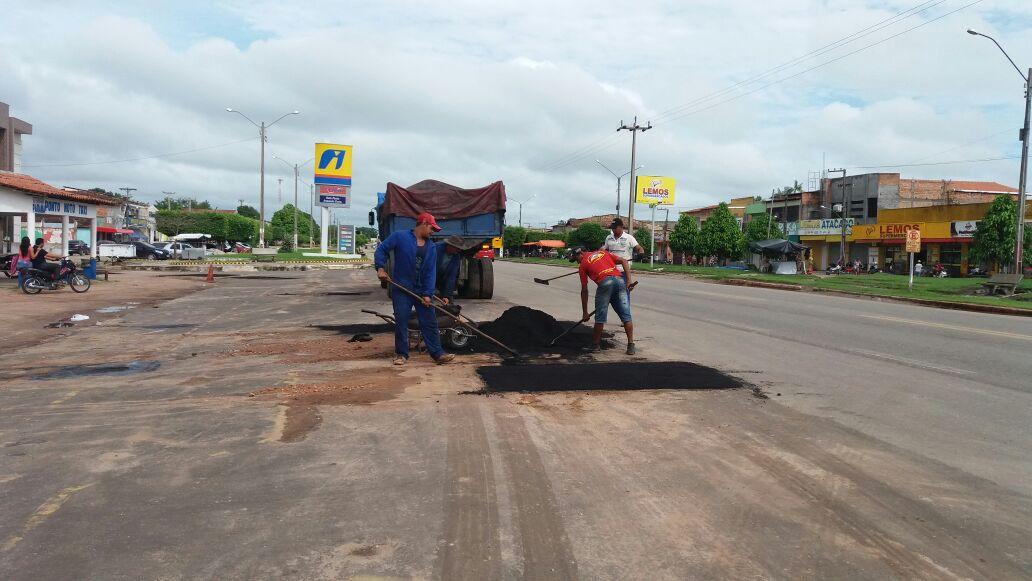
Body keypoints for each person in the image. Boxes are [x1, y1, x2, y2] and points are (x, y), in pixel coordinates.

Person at [374, 212, 455, 366]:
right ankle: (401, 354)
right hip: (401, 288)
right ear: (424, 223)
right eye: (432, 228)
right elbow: (382, 250)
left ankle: (437, 354)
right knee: (401, 321)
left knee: (430, 321)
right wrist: (380, 268)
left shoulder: (431, 247)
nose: (433, 232)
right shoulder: (400, 237)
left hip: (420, 290)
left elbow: (431, 272)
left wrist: (427, 294)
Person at [570, 246, 636, 355]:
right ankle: (631, 345)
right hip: (620, 281)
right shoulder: (603, 253)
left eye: (576, 259)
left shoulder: (583, 265)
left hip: (605, 283)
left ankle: (595, 345)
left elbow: (584, 290)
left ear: (580, 253)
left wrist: (585, 313)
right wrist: (628, 281)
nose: (577, 262)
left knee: (600, 317)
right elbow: (624, 261)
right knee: (626, 315)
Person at [435, 235, 466, 305]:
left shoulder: (456, 257)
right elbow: (427, 270)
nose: (459, 250)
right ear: (450, 245)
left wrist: (447, 296)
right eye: (457, 248)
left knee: (449, 304)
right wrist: (429, 290)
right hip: (428, 279)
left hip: (442, 280)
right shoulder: (435, 249)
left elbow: (451, 277)